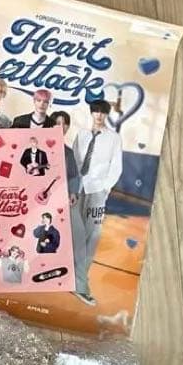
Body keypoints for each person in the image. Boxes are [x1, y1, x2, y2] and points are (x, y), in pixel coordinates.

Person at [70, 98, 123, 306]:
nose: (99, 115)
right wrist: (73, 187)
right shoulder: (82, 134)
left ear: (106, 114)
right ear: (91, 113)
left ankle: (80, 286)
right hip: (78, 189)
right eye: (96, 111)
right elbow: (74, 162)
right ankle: (69, 279)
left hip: (97, 191)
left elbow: (116, 167)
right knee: (75, 235)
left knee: (92, 237)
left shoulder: (113, 138)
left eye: (102, 112)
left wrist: (104, 190)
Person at [52, 110, 81, 197]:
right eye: (58, 123)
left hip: (61, 195)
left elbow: (73, 175)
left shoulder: (69, 153)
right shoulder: (39, 148)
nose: (61, 127)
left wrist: (73, 193)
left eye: (65, 124)